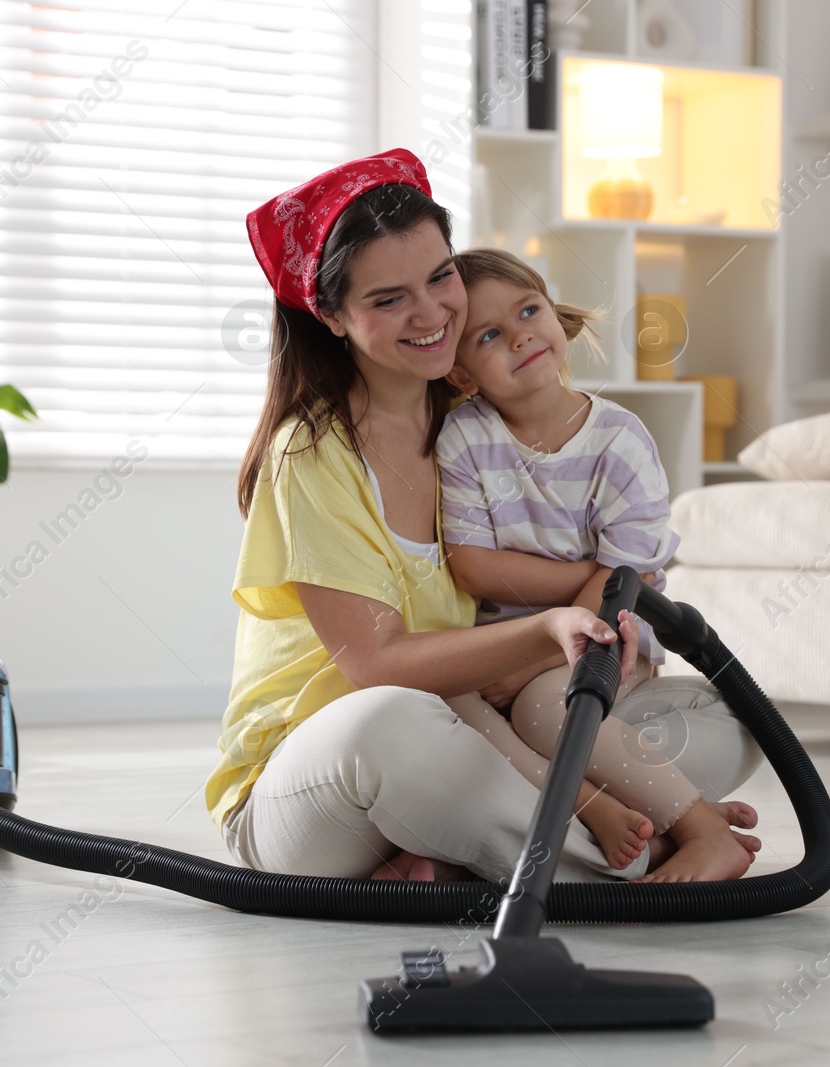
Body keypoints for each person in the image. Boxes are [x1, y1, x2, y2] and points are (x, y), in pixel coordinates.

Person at [206, 147, 762, 885]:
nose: (432, 312)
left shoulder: (479, 422)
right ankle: (644, 848)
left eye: (440, 277)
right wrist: (545, 628)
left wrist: (582, 609)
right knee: (395, 723)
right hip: (325, 773)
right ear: (333, 317)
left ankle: (455, 851)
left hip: (486, 731)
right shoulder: (310, 453)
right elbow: (374, 666)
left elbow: (608, 537)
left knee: (725, 719)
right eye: (387, 298)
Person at [436, 248, 762, 882]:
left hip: (614, 634)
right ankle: (599, 808)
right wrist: (518, 650)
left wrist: (528, 662)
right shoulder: (466, 439)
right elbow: (473, 567)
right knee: (441, 699)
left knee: (538, 707)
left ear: (557, 321)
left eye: (530, 311)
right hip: (508, 645)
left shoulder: (620, 441)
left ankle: (700, 829)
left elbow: (621, 585)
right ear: (462, 375)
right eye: (490, 335)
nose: (521, 335)